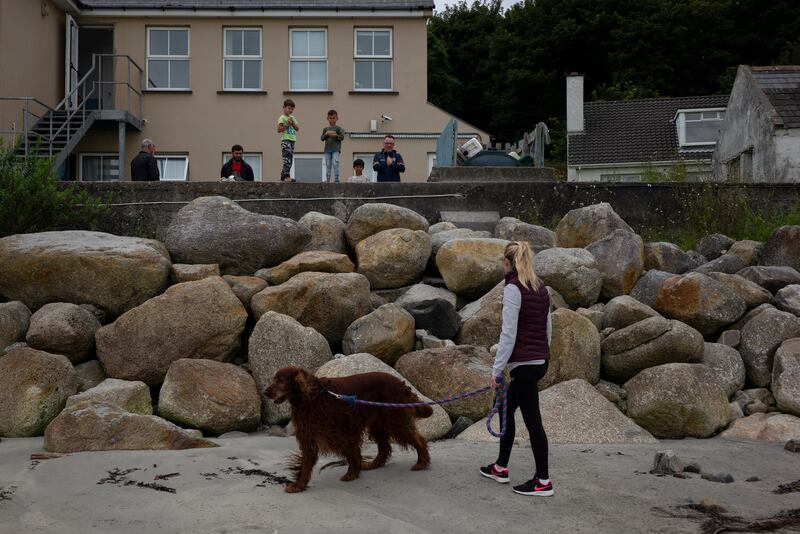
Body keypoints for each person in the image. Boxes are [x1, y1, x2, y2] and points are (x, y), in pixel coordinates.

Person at [480, 241, 554, 497]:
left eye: (503, 262)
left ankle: (543, 481)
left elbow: (508, 334)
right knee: (505, 408)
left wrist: (496, 370)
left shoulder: (513, 289)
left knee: (533, 422)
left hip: (524, 365)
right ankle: (501, 467)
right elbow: (548, 328)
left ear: (507, 263)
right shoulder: (541, 287)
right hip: (538, 362)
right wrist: (543, 355)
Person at [277, 99, 299, 182]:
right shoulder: (282, 118)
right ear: (284, 108)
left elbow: (297, 128)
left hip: (292, 140)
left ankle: (283, 176)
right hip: (286, 140)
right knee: (287, 158)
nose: (290, 110)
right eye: (289, 108)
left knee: (290, 158)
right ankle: (286, 176)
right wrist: (287, 124)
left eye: (292, 109)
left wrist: (292, 123)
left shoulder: (293, 118)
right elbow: (279, 129)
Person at [321, 109, 345, 183]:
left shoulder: (338, 128)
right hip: (327, 149)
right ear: (327, 118)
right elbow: (322, 138)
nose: (332, 120)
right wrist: (326, 134)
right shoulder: (325, 129)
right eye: (330, 118)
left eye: (333, 118)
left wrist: (336, 135)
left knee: (335, 163)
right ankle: (328, 179)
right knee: (328, 164)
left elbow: (342, 137)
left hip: (336, 149)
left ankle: (336, 179)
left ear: (337, 118)